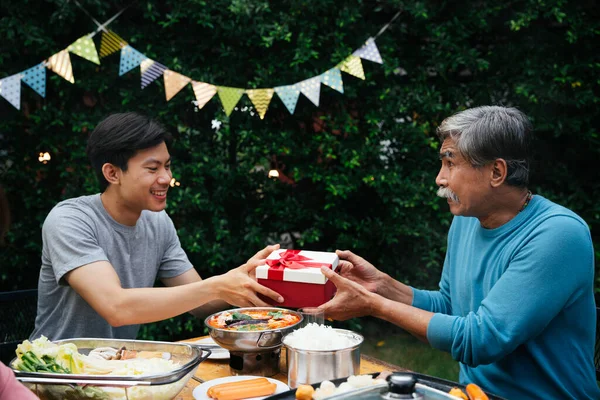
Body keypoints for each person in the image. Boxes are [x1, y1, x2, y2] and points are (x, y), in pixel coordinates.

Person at [319, 106, 600, 400]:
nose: (440, 179)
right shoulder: (465, 221)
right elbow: (450, 306)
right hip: (472, 394)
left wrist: (375, 305)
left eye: (450, 164)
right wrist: (383, 287)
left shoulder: (558, 234)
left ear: (496, 172)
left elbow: (482, 340)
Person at [31, 112, 284, 341]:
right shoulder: (70, 220)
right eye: (152, 168)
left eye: (167, 166)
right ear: (112, 173)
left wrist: (250, 280)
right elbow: (116, 308)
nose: (166, 178)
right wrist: (217, 285)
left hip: (121, 369)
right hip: (54, 373)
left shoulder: (157, 222)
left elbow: (202, 304)